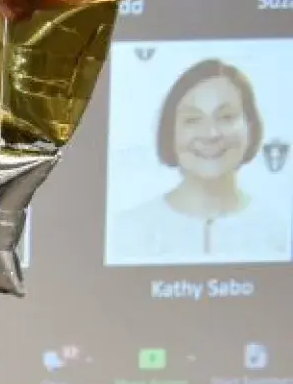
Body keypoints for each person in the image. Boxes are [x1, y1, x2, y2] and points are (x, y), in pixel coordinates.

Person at [108, 58, 289, 265]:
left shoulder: (278, 232)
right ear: (170, 132)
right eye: (193, 120)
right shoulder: (128, 232)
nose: (211, 134)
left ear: (250, 126)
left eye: (226, 117)